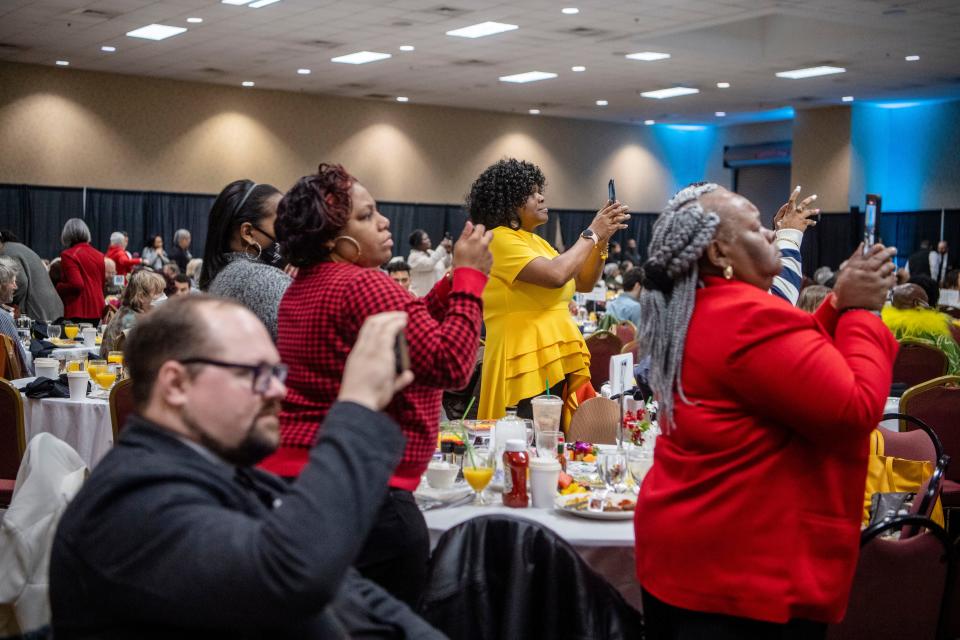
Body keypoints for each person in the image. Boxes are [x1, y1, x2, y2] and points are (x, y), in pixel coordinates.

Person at [50, 296, 441, 639]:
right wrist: (356, 408)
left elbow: (350, 591)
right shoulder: (128, 504)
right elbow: (293, 574)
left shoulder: (230, 470)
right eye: (255, 373)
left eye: (277, 372)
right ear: (176, 384)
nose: (279, 391)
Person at [634, 183, 898, 638]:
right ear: (719, 253)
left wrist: (835, 304)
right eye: (758, 229)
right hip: (737, 572)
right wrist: (862, 314)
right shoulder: (748, 318)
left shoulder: (703, 308)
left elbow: (782, 370)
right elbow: (855, 410)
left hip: (691, 552)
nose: (774, 237)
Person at [262, 162, 491, 606]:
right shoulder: (366, 286)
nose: (385, 222)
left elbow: (411, 328)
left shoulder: (304, 286)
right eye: (366, 217)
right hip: (373, 497)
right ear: (335, 241)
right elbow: (451, 365)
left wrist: (445, 290)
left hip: (303, 481)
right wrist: (469, 280)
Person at [466, 158, 629, 421]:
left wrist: (602, 241)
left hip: (555, 355)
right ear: (508, 204)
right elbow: (556, 275)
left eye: (540, 191)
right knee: (527, 442)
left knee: (555, 444)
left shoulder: (537, 243)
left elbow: (583, 283)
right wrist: (591, 234)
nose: (541, 198)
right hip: (523, 360)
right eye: (531, 194)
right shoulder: (498, 239)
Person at [201, 180, 290, 341]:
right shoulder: (263, 278)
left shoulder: (225, 274)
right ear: (247, 232)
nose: (290, 230)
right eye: (281, 222)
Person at [882, 280, 960, 374]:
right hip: (933, 387)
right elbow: (955, 366)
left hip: (888, 385)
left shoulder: (882, 328)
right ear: (917, 303)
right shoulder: (938, 332)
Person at [99, 269, 166, 358]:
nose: (163, 297)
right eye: (158, 293)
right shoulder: (133, 322)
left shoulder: (127, 311)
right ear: (141, 296)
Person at [0, 230, 63, 322]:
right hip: (52, 309)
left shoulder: (6, 252)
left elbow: (21, 283)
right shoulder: (15, 247)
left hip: (38, 312)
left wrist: (3, 301)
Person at [56, 218, 106, 325]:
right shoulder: (100, 255)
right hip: (98, 309)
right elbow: (101, 284)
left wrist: (59, 287)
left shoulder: (68, 255)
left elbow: (77, 284)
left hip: (78, 310)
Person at [0, 256, 33, 374]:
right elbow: (19, 361)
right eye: (12, 282)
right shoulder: (3, 317)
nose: (16, 287)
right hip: (8, 388)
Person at [407, 229, 451, 296]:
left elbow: (446, 264)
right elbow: (429, 264)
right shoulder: (413, 258)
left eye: (428, 238)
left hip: (436, 295)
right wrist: (442, 247)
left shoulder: (431, 253)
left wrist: (448, 252)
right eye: (425, 239)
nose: (429, 240)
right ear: (417, 243)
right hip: (422, 296)